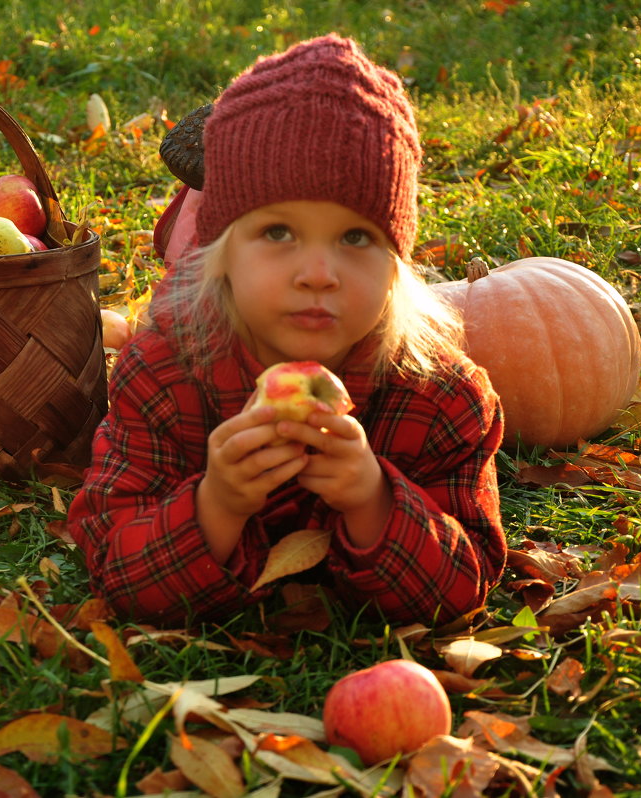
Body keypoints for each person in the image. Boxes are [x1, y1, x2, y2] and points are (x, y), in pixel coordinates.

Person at [68, 33, 507, 626]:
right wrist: (215, 504)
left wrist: (373, 498)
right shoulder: (166, 375)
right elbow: (117, 572)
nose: (318, 275)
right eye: (278, 233)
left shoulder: (438, 395)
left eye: (356, 238)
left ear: (397, 264)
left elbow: (462, 588)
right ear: (220, 253)